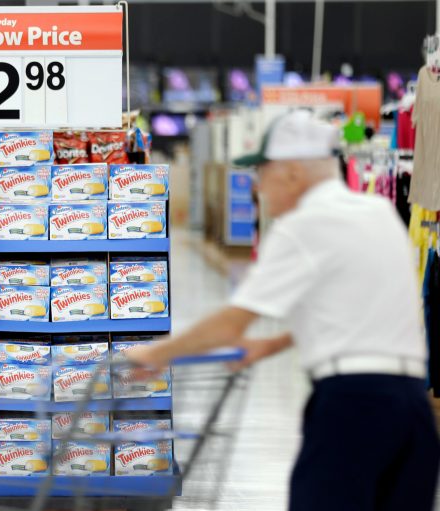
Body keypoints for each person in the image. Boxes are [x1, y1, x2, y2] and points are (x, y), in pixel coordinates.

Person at [127, 110, 440, 510]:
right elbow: (355, 310)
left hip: (351, 410)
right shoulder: (379, 215)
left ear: (292, 173)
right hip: (414, 415)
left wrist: (155, 353)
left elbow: (231, 323)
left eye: (262, 172)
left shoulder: (302, 226)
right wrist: (270, 345)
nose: (256, 186)